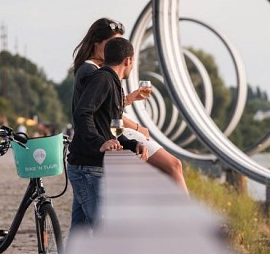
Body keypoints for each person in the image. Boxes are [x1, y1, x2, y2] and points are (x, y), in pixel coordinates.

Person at [71, 17, 188, 193]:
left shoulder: (99, 72)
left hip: (106, 140)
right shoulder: (97, 73)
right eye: (112, 43)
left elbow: (104, 106)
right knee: (173, 166)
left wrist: (130, 99)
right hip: (109, 136)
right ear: (96, 43)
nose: (115, 49)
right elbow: (95, 112)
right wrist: (137, 128)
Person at [67, 19, 147, 231]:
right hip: (88, 165)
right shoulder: (100, 77)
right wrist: (99, 143)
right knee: (105, 230)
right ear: (128, 60)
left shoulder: (110, 80)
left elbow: (110, 127)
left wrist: (132, 144)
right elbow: (83, 113)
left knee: (81, 230)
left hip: (87, 163)